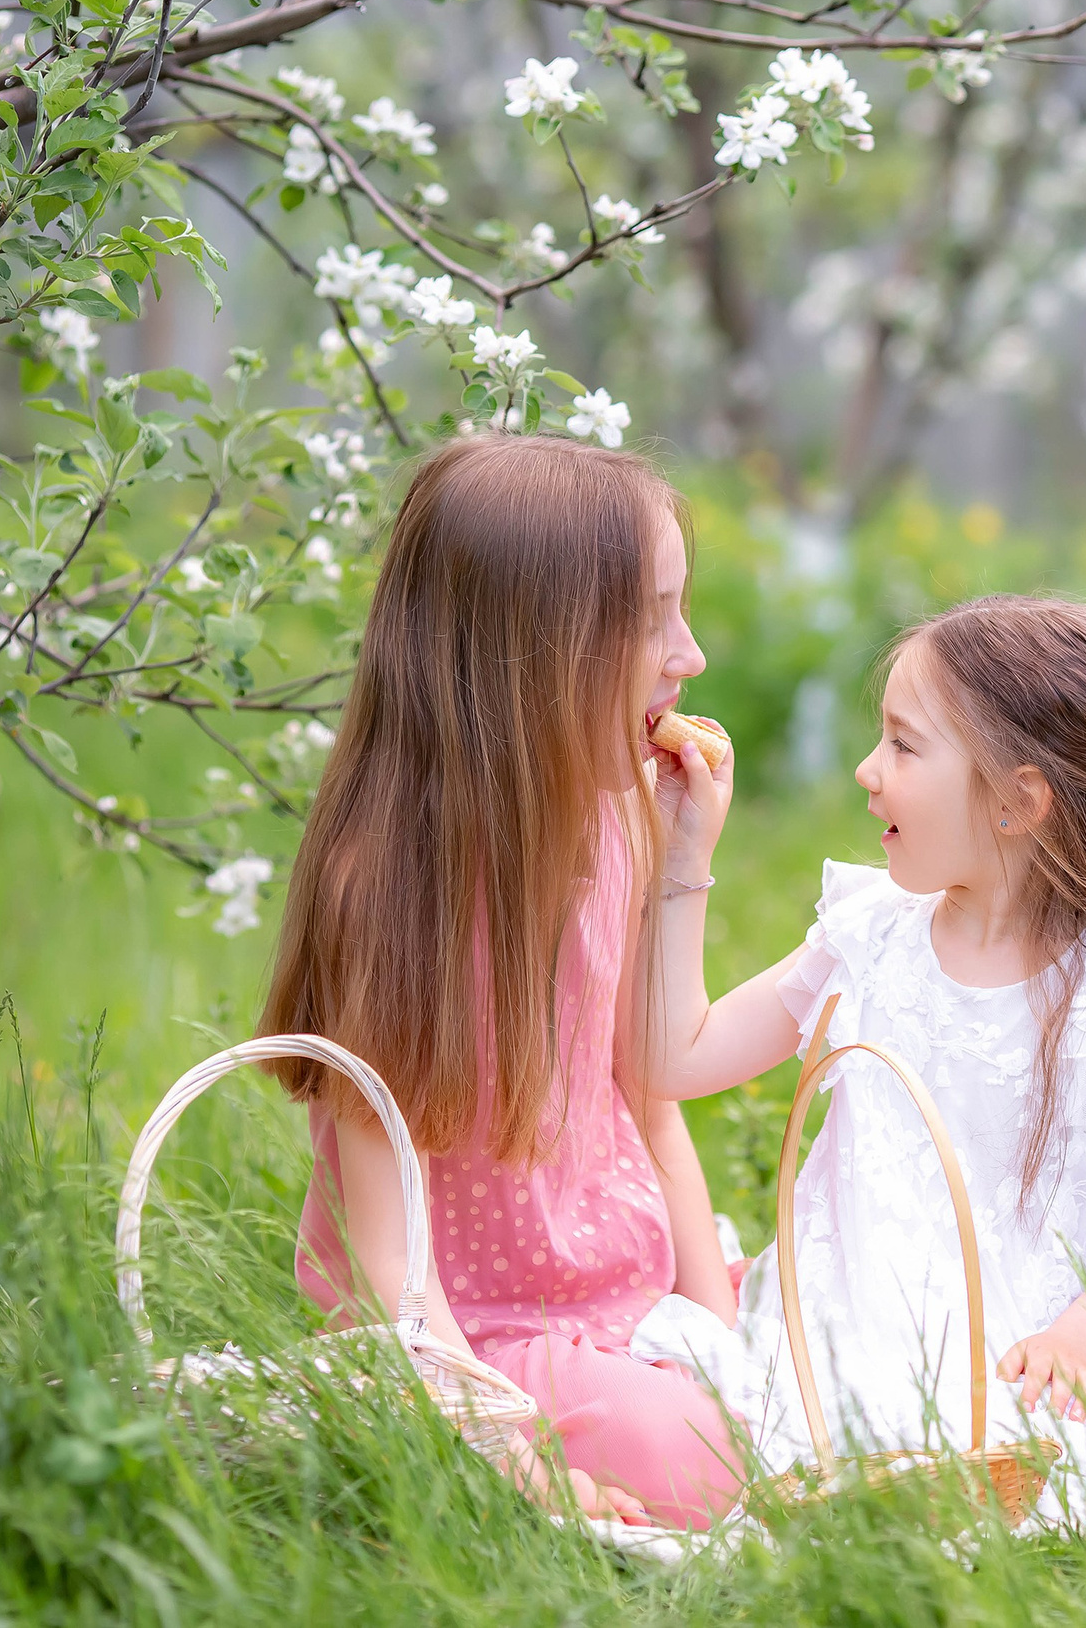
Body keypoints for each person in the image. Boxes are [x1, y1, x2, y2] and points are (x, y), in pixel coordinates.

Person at [627, 597, 1086, 1471]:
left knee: (1055, 1464)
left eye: (903, 743)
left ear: (1019, 801)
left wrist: (1076, 1339)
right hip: (851, 1332)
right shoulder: (870, 935)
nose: (868, 768)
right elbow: (676, 1057)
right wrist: (683, 863)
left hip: (1033, 1351)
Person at [258, 434, 744, 1528]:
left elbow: (653, 1105)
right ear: (541, 648)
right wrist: (514, 1463)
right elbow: (387, 1279)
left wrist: (722, 1338)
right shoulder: (387, 892)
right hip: (468, 1335)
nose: (691, 655)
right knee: (698, 1455)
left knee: (837, 1351)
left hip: (621, 1295)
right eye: (655, 619)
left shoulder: (615, 819)